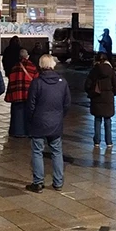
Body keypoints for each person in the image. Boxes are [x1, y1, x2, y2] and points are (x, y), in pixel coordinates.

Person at [25, 54, 71, 193]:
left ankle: (38, 182)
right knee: (57, 152)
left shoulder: (37, 82)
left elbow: (30, 105)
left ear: (40, 65)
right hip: (55, 122)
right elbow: (67, 103)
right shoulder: (62, 82)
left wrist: (31, 119)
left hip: (39, 122)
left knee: (37, 151)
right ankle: (58, 182)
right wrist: (59, 116)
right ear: (53, 65)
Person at [85, 53, 116, 148]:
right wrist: (112, 93)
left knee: (97, 119)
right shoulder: (111, 71)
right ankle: (109, 142)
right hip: (108, 98)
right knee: (108, 120)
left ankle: (97, 141)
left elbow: (87, 85)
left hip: (97, 97)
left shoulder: (94, 70)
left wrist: (91, 93)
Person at [6, 49, 38, 138]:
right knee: (29, 113)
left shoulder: (14, 67)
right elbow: (36, 81)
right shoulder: (32, 67)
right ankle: (28, 131)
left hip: (17, 95)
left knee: (17, 113)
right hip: (29, 94)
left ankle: (16, 132)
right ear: (27, 56)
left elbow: (11, 80)